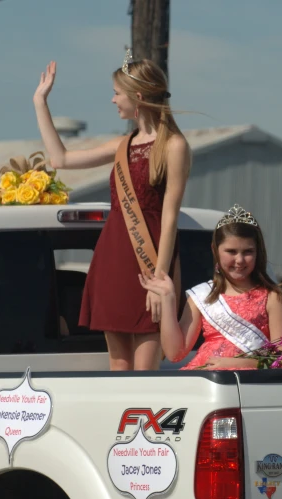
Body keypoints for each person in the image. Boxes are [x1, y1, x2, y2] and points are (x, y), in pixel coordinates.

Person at [32, 52, 191, 370]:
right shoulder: (122, 145)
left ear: (139, 97)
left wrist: (159, 282)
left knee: (144, 372)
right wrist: (40, 101)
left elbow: (170, 216)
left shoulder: (174, 146)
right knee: (118, 366)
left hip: (150, 264)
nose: (113, 99)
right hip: (112, 258)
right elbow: (60, 159)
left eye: (118, 93)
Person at [138, 204, 282, 370]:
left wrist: (236, 363)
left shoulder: (272, 297)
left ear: (258, 252)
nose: (240, 260)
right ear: (215, 250)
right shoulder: (202, 295)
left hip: (248, 384)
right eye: (231, 251)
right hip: (203, 380)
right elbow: (175, 353)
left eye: (248, 252)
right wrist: (168, 299)